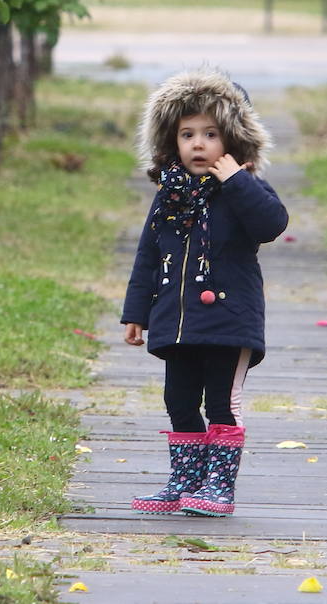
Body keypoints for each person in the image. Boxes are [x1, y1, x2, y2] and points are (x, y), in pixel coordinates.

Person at [121, 68, 289, 516]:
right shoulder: (169, 195)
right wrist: (136, 311)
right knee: (178, 399)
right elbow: (148, 254)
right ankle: (185, 480)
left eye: (211, 134)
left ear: (233, 139)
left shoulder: (246, 189)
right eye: (187, 134)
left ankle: (219, 485)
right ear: (170, 141)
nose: (198, 144)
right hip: (176, 321)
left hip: (230, 323)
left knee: (221, 401)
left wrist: (236, 181)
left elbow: (272, 224)